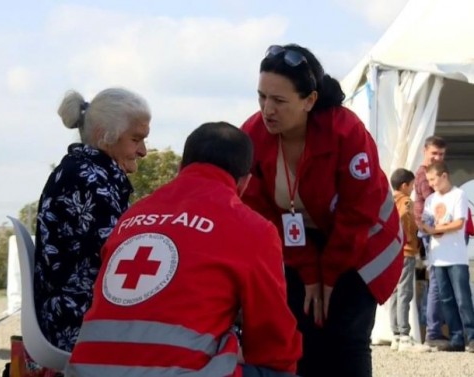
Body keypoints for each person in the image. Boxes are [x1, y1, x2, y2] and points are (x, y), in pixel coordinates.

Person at [65, 122, 303, 377]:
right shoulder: (252, 228)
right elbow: (274, 339)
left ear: (180, 169)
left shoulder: (132, 216)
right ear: (244, 183)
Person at [240, 43, 403, 377]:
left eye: (279, 101)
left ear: (309, 101)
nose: (267, 110)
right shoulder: (253, 134)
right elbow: (261, 213)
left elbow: (359, 212)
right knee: (302, 331)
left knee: (347, 335)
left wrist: (329, 276)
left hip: (363, 241)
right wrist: (308, 272)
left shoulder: (346, 131)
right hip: (299, 242)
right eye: (261, 97)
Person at [34, 87, 151, 352]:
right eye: (136, 139)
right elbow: (120, 255)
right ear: (104, 137)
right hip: (79, 318)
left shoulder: (88, 173)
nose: (143, 151)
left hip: (81, 311)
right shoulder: (89, 181)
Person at [422, 161, 474, 352]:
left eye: (433, 179)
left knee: (462, 298)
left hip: (456, 257)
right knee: (446, 300)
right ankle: (456, 337)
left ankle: (472, 335)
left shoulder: (458, 195)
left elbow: (459, 223)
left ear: (444, 176)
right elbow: (426, 223)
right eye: (429, 180)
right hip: (437, 257)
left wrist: (434, 229)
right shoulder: (430, 200)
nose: (431, 184)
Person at [388, 169, 430, 352]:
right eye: (412, 185)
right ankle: (405, 335)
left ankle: (396, 335)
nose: (413, 189)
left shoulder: (389, 201)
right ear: (405, 185)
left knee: (395, 294)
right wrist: (410, 237)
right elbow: (405, 217)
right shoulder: (406, 201)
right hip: (406, 252)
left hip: (393, 253)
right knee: (405, 292)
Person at [413, 135, 448, 349]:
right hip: (431, 231)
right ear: (424, 152)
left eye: (441, 154)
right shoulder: (425, 175)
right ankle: (433, 331)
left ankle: (436, 328)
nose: (437, 157)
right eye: (434, 153)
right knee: (436, 280)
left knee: (437, 280)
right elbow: (435, 202)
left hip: (435, 230)